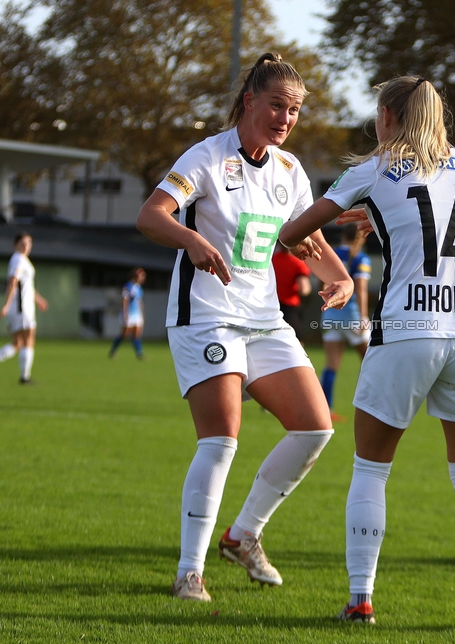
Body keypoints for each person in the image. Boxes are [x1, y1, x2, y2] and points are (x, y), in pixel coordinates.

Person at [279, 76, 455, 631]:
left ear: (386, 116)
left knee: (370, 470)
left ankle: (360, 600)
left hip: (407, 328)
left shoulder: (372, 170)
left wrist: (338, 223)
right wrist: (371, 215)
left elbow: (291, 232)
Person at [135, 53, 353, 603]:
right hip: (206, 316)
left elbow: (309, 240)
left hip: (263, 320)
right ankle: (190, 571)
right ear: (250, 101)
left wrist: (341, 279)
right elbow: (150, 215)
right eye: (277, 105)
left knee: (315, 425)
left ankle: (245, 533)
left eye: (296, 110)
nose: (285, 118)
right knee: (222, 438)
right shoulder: (206, 156)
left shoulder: (289, 171)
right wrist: (191, 240)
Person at [319, 223, 371, 417]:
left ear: (343, 236)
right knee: (372, 362)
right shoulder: (361, 257)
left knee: (331, 365)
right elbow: (361, 289)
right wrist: (364, 317)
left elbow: (322, 283)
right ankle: (372, 408)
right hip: (352, 316)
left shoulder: (332, 254)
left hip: (331, 315)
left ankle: (326, 410)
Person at [0, 232, 48, 384]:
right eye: (23, 243)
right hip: (21, 308)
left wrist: (38, 300)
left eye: (29, 243)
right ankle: (24, 377)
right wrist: (6, 306)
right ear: (15, 245)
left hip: (19, 307)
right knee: (29, 339)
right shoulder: (19, 259)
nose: (26, 246)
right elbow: (13, 282)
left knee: (17, 343)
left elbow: (26, 287)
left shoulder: (22, 260)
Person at [271, 243, 312, 339]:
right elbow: (304, 289)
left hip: (272, 304)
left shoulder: (272, 260)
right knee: (295, 338)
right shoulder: (297, 262)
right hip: (290, 307)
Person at [109, 267, 147, 359]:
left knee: (136, 334)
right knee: (124, 334)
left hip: (137, 314)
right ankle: (113, 351)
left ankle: (139, 353)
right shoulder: (128, 286)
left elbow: (139, 302)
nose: (143, 278)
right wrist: (125, 313)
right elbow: (125, 300)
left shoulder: (139, 288)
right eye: (141, 276)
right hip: (129, 313)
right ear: (135, 276)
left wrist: (142, 313)